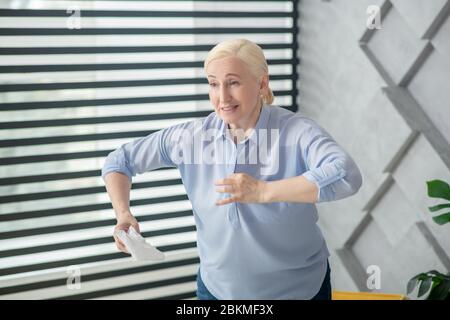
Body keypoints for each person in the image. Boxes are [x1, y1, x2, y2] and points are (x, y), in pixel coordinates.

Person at [102, 38, 362, 300]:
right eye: (214, 84)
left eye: (233, 82)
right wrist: (123, 214)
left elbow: (346, 173)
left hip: (299, 291)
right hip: (216, 291)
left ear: (261, 83)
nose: (222, 97)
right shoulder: (191, 138)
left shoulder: (296, 132)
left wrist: (264, 191)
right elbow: (119, 162)